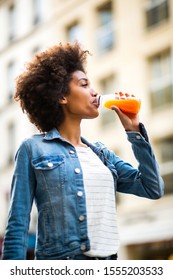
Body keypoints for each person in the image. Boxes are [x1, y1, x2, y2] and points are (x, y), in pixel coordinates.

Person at [2, 42, 164, 260]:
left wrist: (134, 130)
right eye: (84, 84)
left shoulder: (102, 155)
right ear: (62, 96)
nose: (95, 91)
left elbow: (152, 188)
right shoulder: (33, 149)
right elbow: (17, 225)